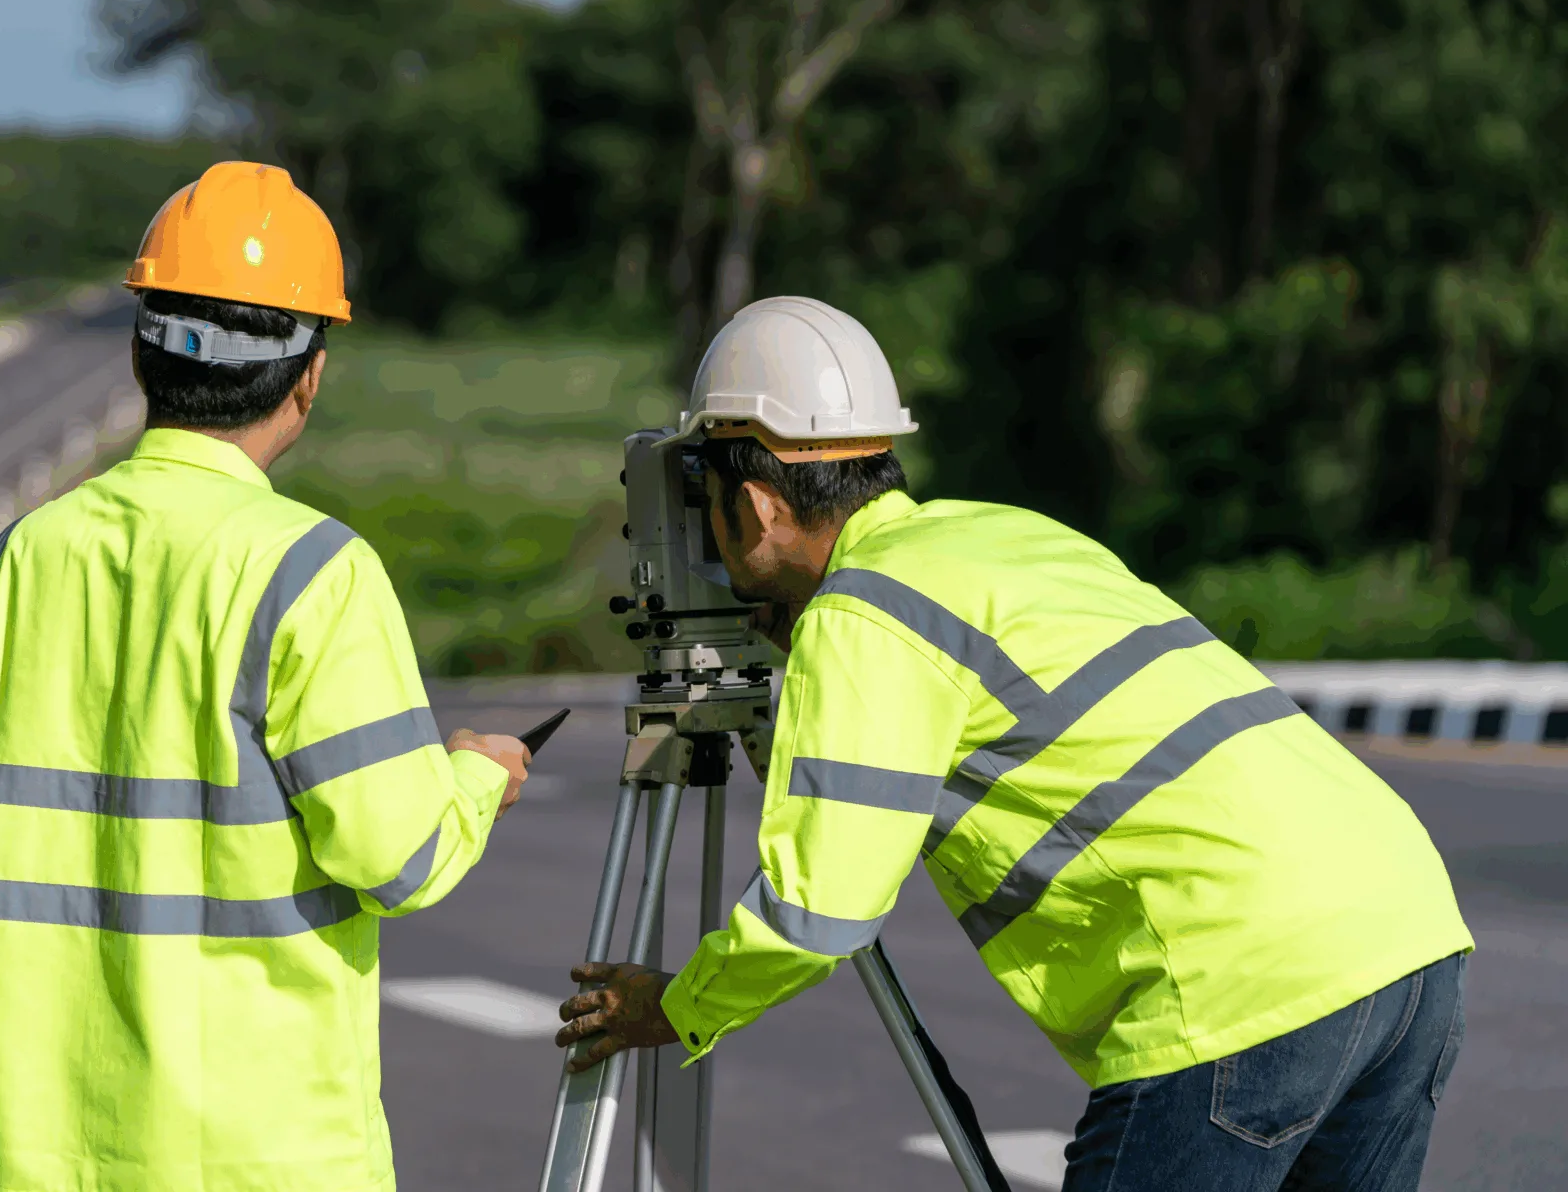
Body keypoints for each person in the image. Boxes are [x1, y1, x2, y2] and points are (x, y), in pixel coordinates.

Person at [555, 297, 1472, 1190]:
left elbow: (818, 913)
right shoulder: (998, 534)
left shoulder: (863, 619)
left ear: (753, 508)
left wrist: (677, 1007)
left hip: (1239, 985)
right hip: (1407, 940)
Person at [0, 160, 534, 1192]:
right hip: (265, 1160)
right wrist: (477, 774)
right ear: (307, 375)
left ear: (140, 352)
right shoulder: (312, 573)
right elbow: (401, 855)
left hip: (54, 1158)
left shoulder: (17, 563)